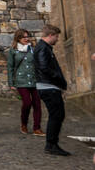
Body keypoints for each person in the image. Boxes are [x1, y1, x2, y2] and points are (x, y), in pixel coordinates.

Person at [33, 24, 70, 157]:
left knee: (57, 115)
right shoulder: (43, 48)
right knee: (57, 115)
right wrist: (58, 78)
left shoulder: (44, 47)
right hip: (48, 87)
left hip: (48, 86)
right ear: (50, 35)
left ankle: (52, 144)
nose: (58, 39)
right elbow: (44, 68)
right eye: (56, 36)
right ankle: (51, 145)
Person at [5, 29, 42, 137]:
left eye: (28, 36)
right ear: (18, 38)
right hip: (21, 81)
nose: (27, 39)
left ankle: (37, 128)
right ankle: (24, 123)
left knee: (37, 104)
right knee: (27, 103)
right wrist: (11, 83)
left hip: (34, 80)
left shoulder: (32, 49)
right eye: (24, 37)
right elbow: (10, 67)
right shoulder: (13, 51)